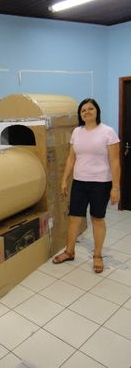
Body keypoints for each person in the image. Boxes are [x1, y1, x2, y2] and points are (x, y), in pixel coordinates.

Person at [53, 98, 120, 273]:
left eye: (91, 109)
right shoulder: (76, 132)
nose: (87, 112)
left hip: (101, 183)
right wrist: (64, 180)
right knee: (74, 217)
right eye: (83, 110)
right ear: (80, 114)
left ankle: (97, 255)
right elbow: (71, 159)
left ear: (97, 111)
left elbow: (115, 162)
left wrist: (116, 187)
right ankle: (70, 251)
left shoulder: (108, 132)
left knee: (97, 218)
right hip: (80, 182)